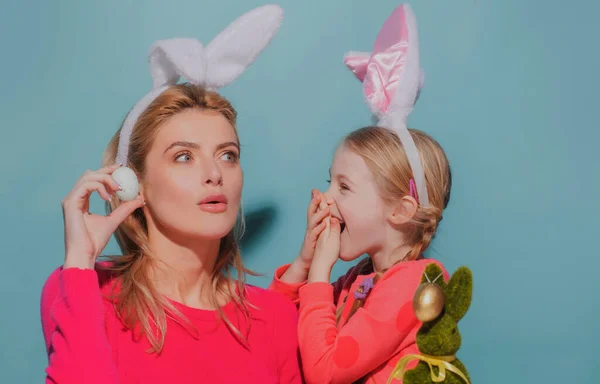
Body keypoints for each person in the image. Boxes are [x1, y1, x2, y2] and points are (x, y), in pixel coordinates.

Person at [40, 5, 302, 384]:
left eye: (228, 155)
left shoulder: (275, 318)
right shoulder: (80, 290)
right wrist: (79, 262)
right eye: (183, 156)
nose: (214, 174)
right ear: (135, 183)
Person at [269, 4, 453, 383]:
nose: (326, 197)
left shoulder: (418, 282)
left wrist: (320, 272)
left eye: (344, 186)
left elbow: (324, 372)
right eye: (329, 181)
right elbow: (278, 334)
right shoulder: (359, 279)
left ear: (401, 211)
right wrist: (304, 264)